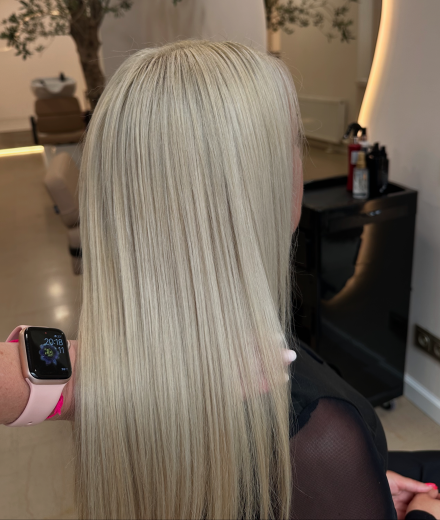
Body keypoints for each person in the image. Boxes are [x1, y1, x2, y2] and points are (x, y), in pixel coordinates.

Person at [1, 39, 440, 520]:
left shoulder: (118, 373)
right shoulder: (317, 428)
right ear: (257, 185)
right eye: (296, 143)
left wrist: (101, 367)